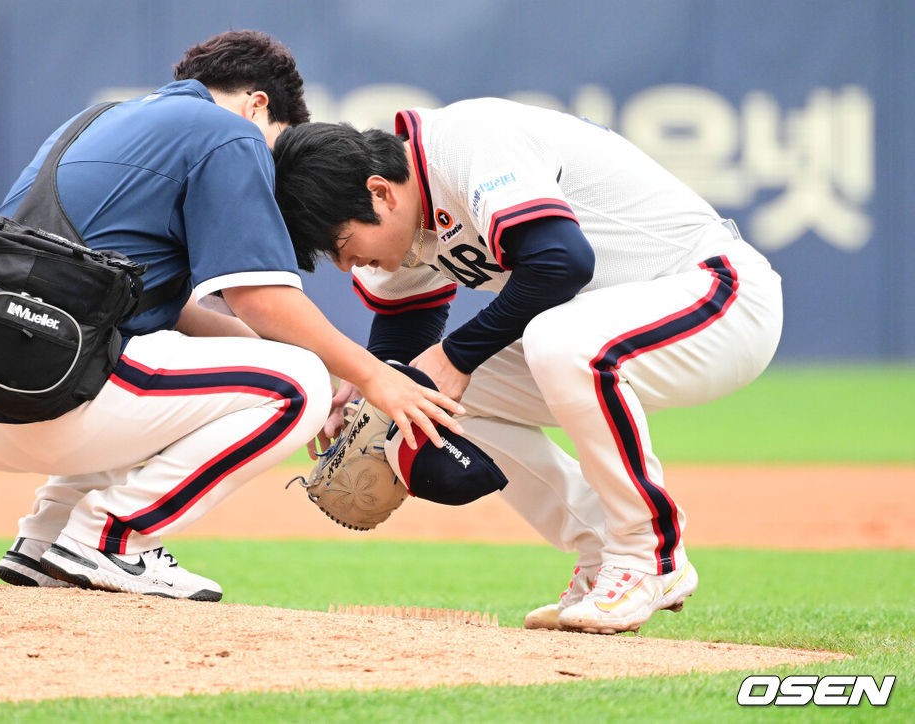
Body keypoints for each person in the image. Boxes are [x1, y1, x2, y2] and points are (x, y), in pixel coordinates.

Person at [0, 30, 461, 601]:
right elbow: (261, 301)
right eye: (278, 150)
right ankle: (110, 536)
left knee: (229, 364)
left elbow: (174, 310)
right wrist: (371, 376)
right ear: (259, 105)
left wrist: (314, 361)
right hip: (54, 387)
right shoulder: (230, 132)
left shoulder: (97, 118)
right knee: (297, 388)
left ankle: (46, 537)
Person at [271, 98, 783, 633]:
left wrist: (455, 355)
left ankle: (648, 557)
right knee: (432, 399)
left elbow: (562, 262)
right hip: (618, 325)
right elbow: (402, 340)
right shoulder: (405, 224)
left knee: (554, 341)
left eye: (344, 244)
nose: (347, 264)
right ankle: (602, 554)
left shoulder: (467, 143)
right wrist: (369, 390)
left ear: (380, 192)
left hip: (719, 295)